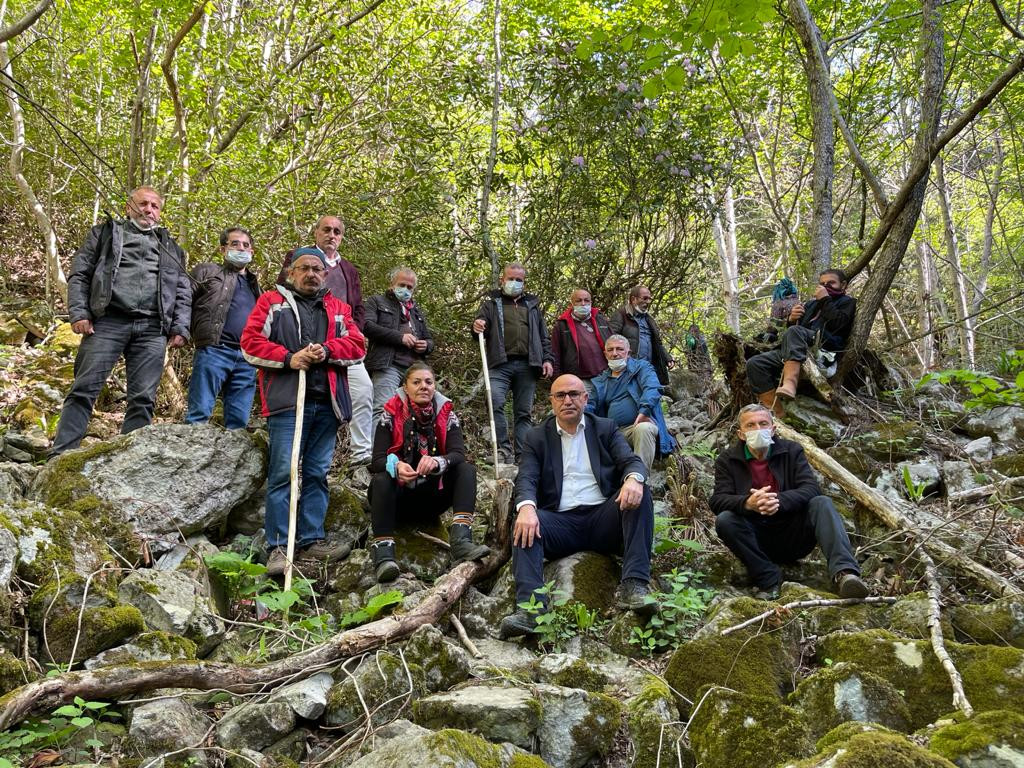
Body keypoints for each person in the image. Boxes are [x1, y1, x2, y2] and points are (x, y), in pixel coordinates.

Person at [499, 374, 655, 639]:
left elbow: (631, 461)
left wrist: (633, 478)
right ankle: (531, 610)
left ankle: (635, 585)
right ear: (551, 401)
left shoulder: (604, 427)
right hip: (561, 524)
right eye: (560, 395)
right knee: (524, 520)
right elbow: (526, 478)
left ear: (585, 398)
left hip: (602, 518)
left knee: (641, 494)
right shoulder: (537, 436)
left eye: (574, 394)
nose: (567, 400)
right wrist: (525, 507)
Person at [242, 247, 366, 576]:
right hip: (286, 401)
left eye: (317, 269)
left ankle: (311, 538)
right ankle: (279, 546)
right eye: (304, 268)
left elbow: (357, 345)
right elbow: (250, 342)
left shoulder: (338, 308)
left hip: (327, 401)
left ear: (325, 275)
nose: (311, 274)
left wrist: (326, 350)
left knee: (315, 473)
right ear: (291, 273)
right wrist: (288, 358)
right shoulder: (271, 302)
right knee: (283, 472)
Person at [51, 186, 192, 456]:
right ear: (129, 207)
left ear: (160, 213)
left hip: (152, 328)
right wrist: (79, 312)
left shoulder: (171, 247)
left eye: (155, 206)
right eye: (143, 204)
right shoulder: (105, 234)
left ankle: (130, 460)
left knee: (142, 399)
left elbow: (182, 290)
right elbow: (80, 274)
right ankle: (60, 455)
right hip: (108, 322)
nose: (149, 210)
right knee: (84, 389)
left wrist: (180, 327)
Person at [710, 403, 869, 601]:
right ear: (741, 434)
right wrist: (748, 503)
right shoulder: (727, 460)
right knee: (725, 520)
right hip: (756, 539)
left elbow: (811, 488)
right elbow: (717, 500)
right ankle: (769, 580)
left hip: (794, 535)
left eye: (763, 423)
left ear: (773, 428)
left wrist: (779, 500)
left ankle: (845, 574)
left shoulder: (791, 451)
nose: (758, 429)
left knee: (822, 503)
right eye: (750, 425)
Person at [367, 362, 491, 582]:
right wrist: (395, 466)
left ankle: (461, 540)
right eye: (416, 382)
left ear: (434, 386)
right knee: (381, 479)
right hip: (398, 499)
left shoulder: (446, 414)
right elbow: (376, 460)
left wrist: (437, 461)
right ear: (405, 387)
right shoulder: (390, 414)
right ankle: (384, 555)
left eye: (428, 382)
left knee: (466, 470)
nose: (423, 386)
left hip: (432, 498)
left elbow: (458, 454)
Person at [278, 216, 374, 465]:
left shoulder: (348, 269)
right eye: (327, 229)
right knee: (302, 398)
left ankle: (361, 454)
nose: (332, 235)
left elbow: (358, 306)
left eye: (337, 231)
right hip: (303, 342)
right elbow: (282, 292)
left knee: (363, 390)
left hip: (340, 342)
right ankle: (293, 458)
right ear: (316, 232)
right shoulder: (299, 257)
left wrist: (357, 331)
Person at [472, 263, 553, 462]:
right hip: (500, 363)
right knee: (495, 403)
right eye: (511, 279)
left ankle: (522, 454)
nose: (514, 283)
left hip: (528, 364)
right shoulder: (491, 303)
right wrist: (477, 325)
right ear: (502, 280)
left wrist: (547, 359)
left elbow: (544, 336)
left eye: (519, 280)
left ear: (524, 282)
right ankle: (502, 450)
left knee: (523, 412)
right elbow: (479, 328)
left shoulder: (532, 306)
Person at [746, 269, 856, 415]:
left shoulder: (847, 302)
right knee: (755, 364)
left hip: (822, 350)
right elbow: (796, 331)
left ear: (843, 285)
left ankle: (790, 384)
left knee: (794, 332)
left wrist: (824, 300)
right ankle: (777, 413)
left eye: (831, 283)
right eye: (822, 283)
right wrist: (791, 320)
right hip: (796, 349)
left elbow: (839, 324)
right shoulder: (810, 304)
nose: (826, 286)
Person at [184, 227, 261, 429]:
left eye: (246, 245)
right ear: (222, 249)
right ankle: (190, 458)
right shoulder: (207, 271)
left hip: (247, 358)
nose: (241, 248)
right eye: (235, 244)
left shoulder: (255, 284)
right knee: (198, 414)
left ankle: (231, 460)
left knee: (238, 422)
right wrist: (180, 330)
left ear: (252, 252)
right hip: (214, 350)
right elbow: (182, 300)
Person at [588, 335, 676, 471]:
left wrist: (644, 411)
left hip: (636, 428)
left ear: (628, 353)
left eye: (620, 349)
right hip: (612, 432)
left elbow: (652, 388)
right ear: (605, 354)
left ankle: (639, 479)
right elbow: (590, 405)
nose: (615, 353)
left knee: (644, 428)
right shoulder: (600, 381)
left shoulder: (642, 368)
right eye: (610, 350)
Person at [364, 267, 434, 421]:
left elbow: (429, 339)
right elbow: (367, 326)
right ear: (392, 284)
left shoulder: (415, 311)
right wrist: (399, 337)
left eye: (410, 287)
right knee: (383, 409)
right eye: (402, 285)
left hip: (416, 368)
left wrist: (426, 345)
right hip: (388, 365)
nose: (405, 290)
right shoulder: (376, 301)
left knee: (419, 413)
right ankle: (379, 446)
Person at [608, 285, 674, 387]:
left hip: (648, 367)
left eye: (649, 299)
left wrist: (667, 358)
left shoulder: (649, 319)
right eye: (645, 298)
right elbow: (610, 339)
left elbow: (657, 342)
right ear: (633, 299)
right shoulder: (621, 314)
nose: (648, 302)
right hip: (628, 368)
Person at [550, 288, 612, 397]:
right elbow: (555, 355)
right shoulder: (562, 325)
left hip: (605, 376)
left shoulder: (601, 319)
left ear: (591, 302)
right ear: (572, 303)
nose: (583, 304)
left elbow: (613, 343)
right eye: (579, 300)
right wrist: (558, 381)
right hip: (579, 380)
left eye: (586, 300)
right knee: (584, 410)